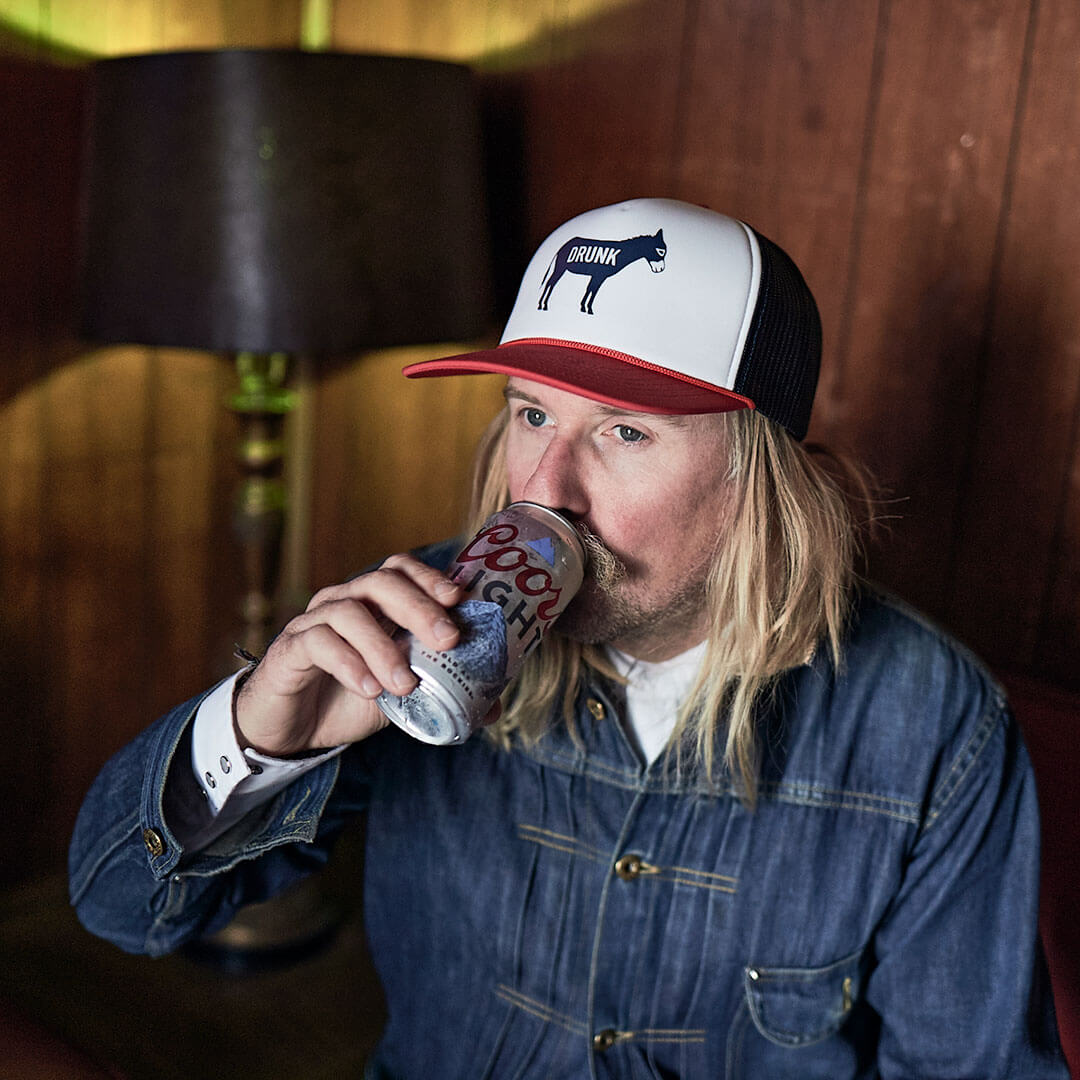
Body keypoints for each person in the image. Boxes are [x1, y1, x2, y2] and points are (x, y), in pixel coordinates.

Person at [69, 198, 1068, 1078]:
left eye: (626, 431)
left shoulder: (933, 719)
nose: (548, 488)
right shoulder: (408, 628)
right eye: (533, 413)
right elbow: (120, 909)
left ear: (756, 475)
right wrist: (258, 740)